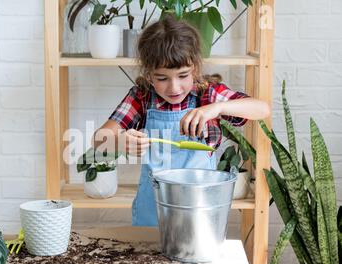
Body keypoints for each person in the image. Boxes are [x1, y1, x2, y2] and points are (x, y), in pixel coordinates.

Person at [92, 15, 271, 226]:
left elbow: (262, 109)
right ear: (149, 75)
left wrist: (217, 108)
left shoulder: (207, 95)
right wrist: (121, 141)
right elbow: (99, 139)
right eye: (162, 78)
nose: (174, 88)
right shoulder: (141, 97)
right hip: (154, 213)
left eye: (183, 75)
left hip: (199, 214)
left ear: (194, 68)